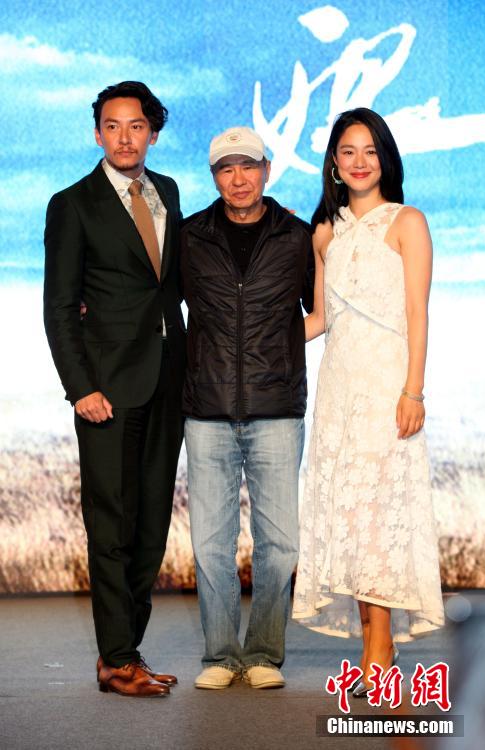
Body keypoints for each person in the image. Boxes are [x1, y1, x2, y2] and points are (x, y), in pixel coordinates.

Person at [292, 108, 444, 696]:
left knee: (378, 517)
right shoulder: (323, 233)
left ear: (386, 159)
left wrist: (413, 390)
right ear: (333, 161)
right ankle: (373, 647)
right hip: (337, 392)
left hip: (387, 389)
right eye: (348, 152)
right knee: (351, 519)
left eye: (370, 151)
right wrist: (246, 331)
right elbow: (319, 319)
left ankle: (378, 652)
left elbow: (417, 313)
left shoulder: (407, 222)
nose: (359, 162)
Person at [44, 81, 185, 697]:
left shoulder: (168, 192)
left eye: (136, 126)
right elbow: (58, 307)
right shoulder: (72, 204)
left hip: (168, 382)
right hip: (106, 390)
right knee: (111, 526)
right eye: (112, 126)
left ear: (152, 132)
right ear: (97, 132)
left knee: (151, 526)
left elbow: (167, 285)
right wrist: (80, 387)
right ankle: (116, 659)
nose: (124, 138)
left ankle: (128, 652)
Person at [180, 126, 314, 689]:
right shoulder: (189, 236)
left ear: (267, 170)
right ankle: (219, 656)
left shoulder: (297, 236)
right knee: (210, 544)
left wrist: (280, 347)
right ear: (215, 176)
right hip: (206, 408)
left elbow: (323, 309)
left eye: (248, 166)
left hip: (276, 406)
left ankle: (262, 654)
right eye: (226, 169)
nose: (238, 179)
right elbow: (154, 303)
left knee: (280, 543)